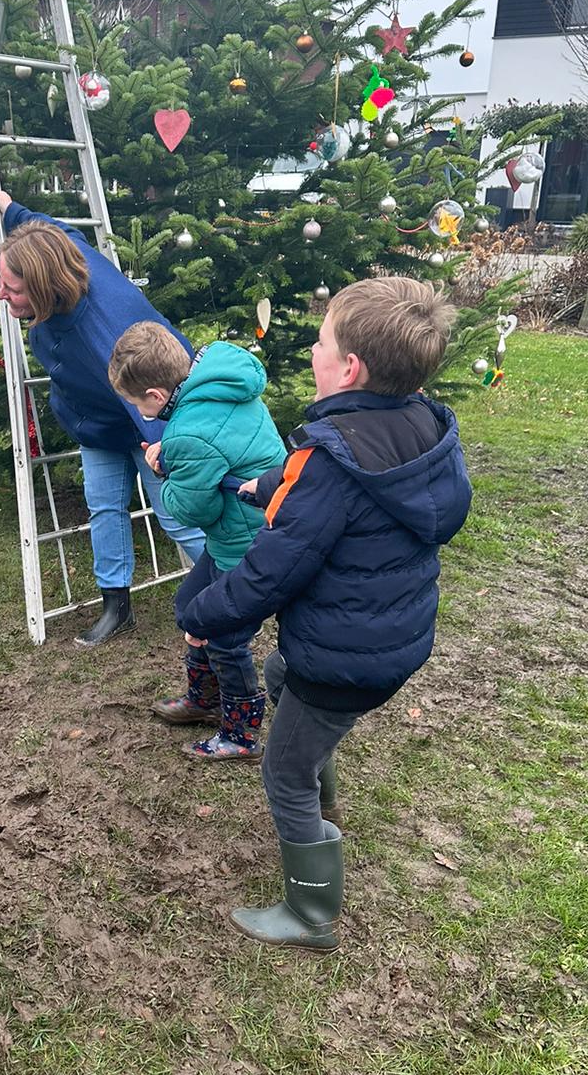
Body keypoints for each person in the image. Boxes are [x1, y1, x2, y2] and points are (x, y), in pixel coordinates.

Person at [179, 277, 472, 951]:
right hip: (388, 639)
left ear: (349, 368)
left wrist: (202, 614)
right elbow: (326, 493)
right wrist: (265, 486)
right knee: (279, 676)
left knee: (282, 772)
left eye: (321, 342)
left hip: (341, 658)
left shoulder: (331, 461)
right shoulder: (422, 425)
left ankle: (311, 915)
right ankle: (324, 797)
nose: (312, 351)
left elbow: (269, 573)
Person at [0, 188, 206, 646]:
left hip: (151, 415)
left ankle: (236, 589)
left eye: (14, 289)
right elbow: (51, 228)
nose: (1, 294)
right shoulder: (60, 250)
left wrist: (165, 451)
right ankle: (116, 606)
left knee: (176, 515)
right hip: (96, 420)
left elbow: (154, 395)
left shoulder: (103, 332)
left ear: (45, 286)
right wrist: (10, 210)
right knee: (104, 507)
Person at [107, 320, 286, 759]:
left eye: (136, 403)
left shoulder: (188, 432)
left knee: (224, 634)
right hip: (244, 532)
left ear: (155, 396)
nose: (138, 411)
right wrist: (176, 459)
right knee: (191, 606)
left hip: (248, 545)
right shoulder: (220, 384)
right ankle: (204, 700)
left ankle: (241, 733)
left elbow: (192, 510)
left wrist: (162, 469)